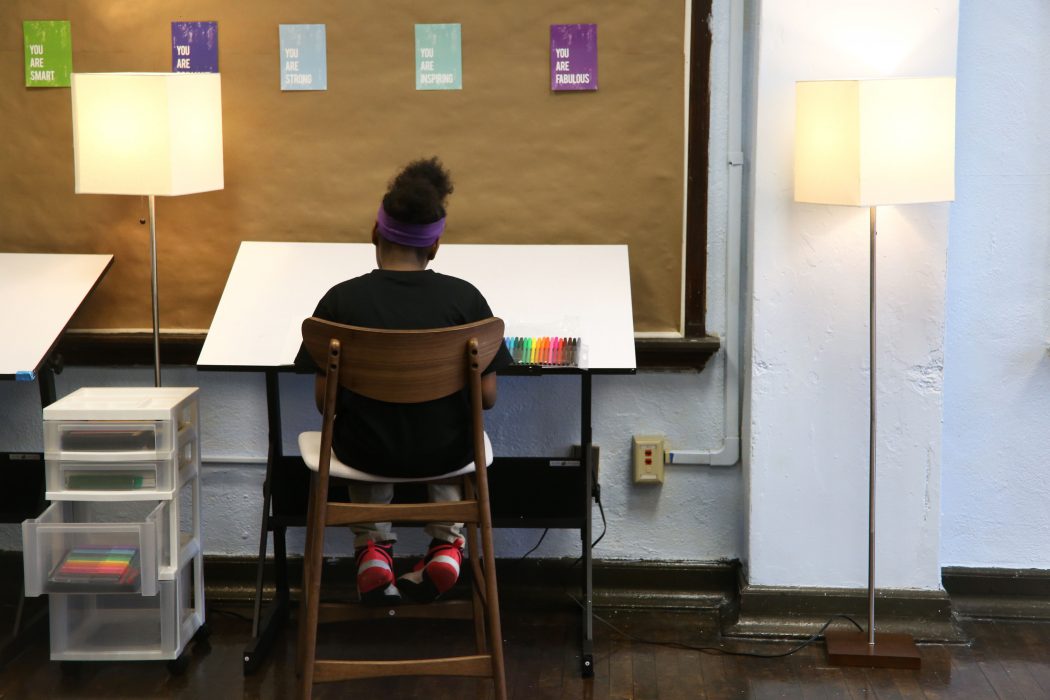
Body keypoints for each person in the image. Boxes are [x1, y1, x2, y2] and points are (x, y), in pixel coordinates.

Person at [295, 157, 512, 605]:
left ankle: (372, 548)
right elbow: (486, 398)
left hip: (364, 453)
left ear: (375, 233)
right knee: (451, 424)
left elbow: (324, 402)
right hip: (447, 455)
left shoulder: (340, 302)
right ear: (434, 247)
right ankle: (449, 543)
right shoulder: (465, 300)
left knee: (362, 421)